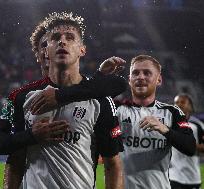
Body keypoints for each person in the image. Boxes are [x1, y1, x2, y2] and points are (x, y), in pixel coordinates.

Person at [0, 17, 127, 188]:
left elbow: (112, 163)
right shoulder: (22, 97)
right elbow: (13, 158)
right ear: (46, 51)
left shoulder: (100, 101)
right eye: (55, 38)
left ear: (82, 50)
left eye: (70, 37)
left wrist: (60, 96)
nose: (62, 41)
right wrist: (32, 136)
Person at [30, 54, 196, 189]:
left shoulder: (172, 113)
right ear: (129, 79)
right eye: (136, 73)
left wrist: (165, 129)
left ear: (159, 80)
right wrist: (100, 75)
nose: (141, 77)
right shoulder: (114, 109)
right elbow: (89, 93)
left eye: (147, 73)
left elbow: (190, 147)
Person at [169, 94, 204, 189]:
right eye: (176, 102)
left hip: (192, 177)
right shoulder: (167, 123)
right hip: (173, 176)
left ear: (190, 106)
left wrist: (188, 144)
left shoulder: (198, 125)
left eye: (183, 102)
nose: (179, 104)